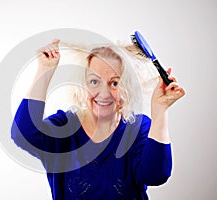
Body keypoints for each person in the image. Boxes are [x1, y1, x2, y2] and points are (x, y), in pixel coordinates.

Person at [11, 39, 185, 199]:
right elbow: (23, 134)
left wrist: (160, 110)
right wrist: (45, 71)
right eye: (94, 81)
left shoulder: (137, 128)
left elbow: (156, 175)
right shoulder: (64, 128)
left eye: (115, 83)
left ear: (127, 88)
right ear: (83, 85)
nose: (104, 93)